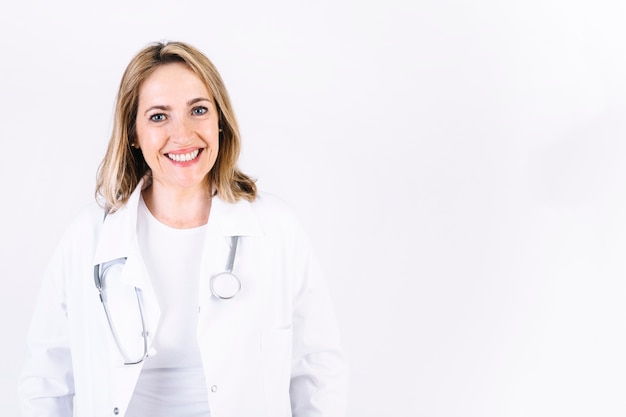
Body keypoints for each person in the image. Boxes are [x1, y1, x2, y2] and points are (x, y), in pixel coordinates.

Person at [18, 40, 348, 417]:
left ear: (220, 121)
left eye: (199, 110)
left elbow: (319, 372)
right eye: (159, 116)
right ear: (133, 134)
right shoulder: (87, 237)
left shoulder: (276, 229)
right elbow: (46, 383)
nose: (184, 134)